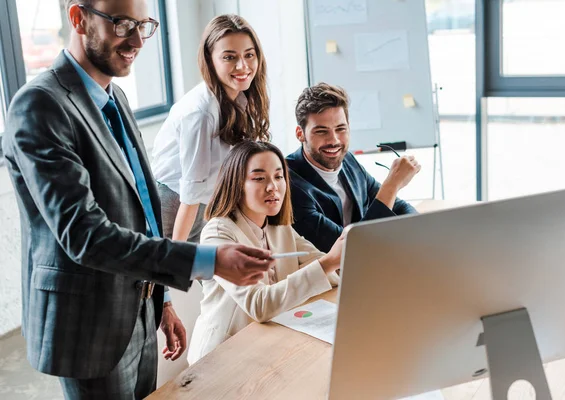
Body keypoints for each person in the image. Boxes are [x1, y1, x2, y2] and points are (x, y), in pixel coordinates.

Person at [1, 1, 274, 399]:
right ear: (78, 18)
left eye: (144, 25)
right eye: (123, 23)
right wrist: (209, 260)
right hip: (89, 324)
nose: (136, 41)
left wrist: (160, 300)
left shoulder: (115, 98)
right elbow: (85, 236)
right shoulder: (40, 105)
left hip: (138, 310)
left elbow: (142, 209)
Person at [186, 141, 343, 364]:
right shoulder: (218, 233)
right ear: (236, 185)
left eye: (279, 177)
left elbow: (327, 270)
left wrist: (329, 264)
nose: (273, 187)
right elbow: (258, 305)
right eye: (259, 178)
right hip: (222, 357)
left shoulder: (278, 227)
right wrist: (328, 264)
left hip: (267, 345)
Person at [151, 14, 269, 243]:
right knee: (172, 275)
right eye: (229, 57)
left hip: (206, 202)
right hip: (176, 205)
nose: (242, 66)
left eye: (249, 55)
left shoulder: (240, 98)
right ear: (210, 59)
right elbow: (190, 194)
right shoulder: (201, 113)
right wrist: (176, 259)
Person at [286, 83, 421, 252]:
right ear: (300, 134)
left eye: (340, 129)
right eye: (321, 131)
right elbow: (352, 247)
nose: (334, 140)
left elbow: (399, 207)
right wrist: (392, 184)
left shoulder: (348, 160)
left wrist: (419, 230)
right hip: (331, 274)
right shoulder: (287, 184)